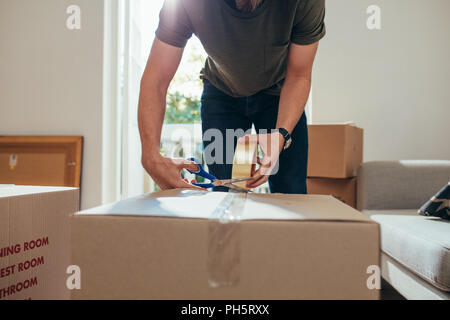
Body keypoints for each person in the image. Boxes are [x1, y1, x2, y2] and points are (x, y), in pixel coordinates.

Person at [138, 0, 326, 193]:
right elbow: (156, 80)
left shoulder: (306, 2)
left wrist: (281, 134)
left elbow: (299, 75)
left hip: (280, 94)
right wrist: (151, 156)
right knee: (225, 193)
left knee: (291, 192)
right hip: (222, 94)